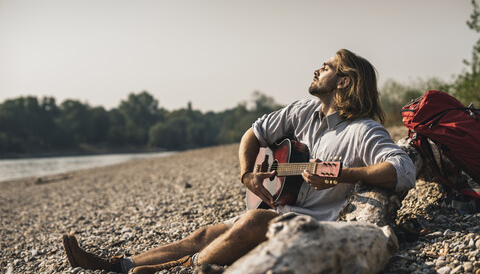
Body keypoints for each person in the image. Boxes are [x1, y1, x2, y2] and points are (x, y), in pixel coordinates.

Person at [62, 48, 416, 274]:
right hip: (283, 208)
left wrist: (342, 173)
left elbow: (402, 170)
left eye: (326, 67)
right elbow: (253, 134)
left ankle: (181, 269)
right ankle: (116, 265)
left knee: (252, 220)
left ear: (344, 81)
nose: (316, 69)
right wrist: (247, 173)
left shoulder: (364, 131)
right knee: (206, 232)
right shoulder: (303, 111)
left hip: (315, 224)